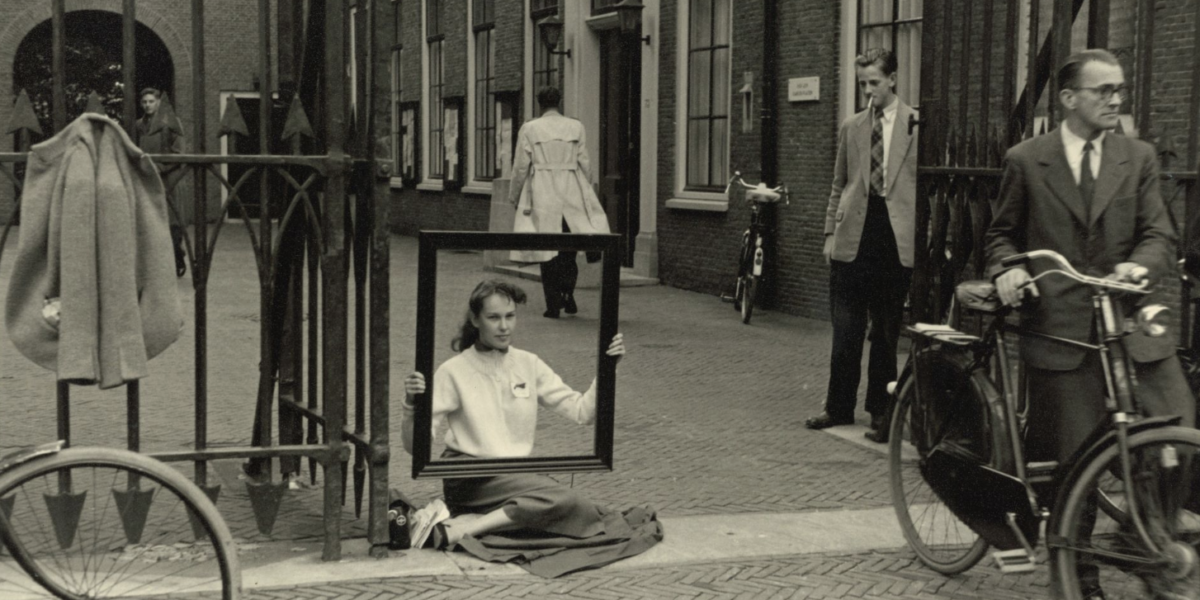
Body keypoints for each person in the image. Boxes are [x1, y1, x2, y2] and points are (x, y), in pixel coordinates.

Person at [986, 48, 1196, 600]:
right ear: (1068, 98)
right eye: (1104, 91)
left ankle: (1139, 534)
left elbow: (1158, 233)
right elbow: (1001, 236)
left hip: (1130, 322)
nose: (1116, 100)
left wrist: (1139, 265)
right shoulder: (1027, 160)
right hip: (1063, 325)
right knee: (1075, 455)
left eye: (1120, 90)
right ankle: (1075, 574)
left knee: (1180, 426)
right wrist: (1009, 270)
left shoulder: (1138, 156)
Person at [399, 280, 662, 577]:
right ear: (475, 319)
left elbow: (581, 412)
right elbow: (414, 448)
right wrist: (411, 406)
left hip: (515, 474)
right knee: (570, 503)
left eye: (510, 316)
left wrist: (607, 368)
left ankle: (470, 524)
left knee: (574, 506)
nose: (504, 327)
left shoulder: (528, 363)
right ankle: (469, 527)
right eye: (493, 317)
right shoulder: (453, 370)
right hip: (469, 475)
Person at [807, 48, 918, 444]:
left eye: (874, 82)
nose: (868, 90)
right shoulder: (851, 127)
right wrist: (828, 234)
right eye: (862, 83)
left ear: (892, 79)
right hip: (853, 236)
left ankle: (881, 412)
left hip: (894, 238)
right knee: (846, 329)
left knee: (886, 332)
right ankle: (837, 408)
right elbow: (839, 184)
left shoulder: (916, 124)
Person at [508, 87, 610, 319]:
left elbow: (520, 166)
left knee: (547, 250)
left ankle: (552, 305)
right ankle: (568, 294)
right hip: (571, 191)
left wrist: (515, 196)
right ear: (559, 103)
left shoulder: (530, 128)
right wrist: (589, 193)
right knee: (569, 249)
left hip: (543, 191)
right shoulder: (576, 127)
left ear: (539, 104)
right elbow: (585, 163)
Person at [135, 87, 187, 277]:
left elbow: (180, 152)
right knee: (150, 222)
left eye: (151, 101)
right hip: (149, 180)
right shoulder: (139, 125)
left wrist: (160, 167)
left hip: (171, 179)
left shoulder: (173, 123)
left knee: (173, 223)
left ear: (158, 102)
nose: (148, 105)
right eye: (145, 102)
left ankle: (177, 257)